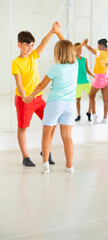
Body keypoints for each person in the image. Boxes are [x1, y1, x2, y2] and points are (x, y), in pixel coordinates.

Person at [11, 22, 63, 167]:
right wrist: (24, 97)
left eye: (32, 45)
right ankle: (25, 157)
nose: (30, 48)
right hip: (24, 100)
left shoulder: (33, 56)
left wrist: (52, 32)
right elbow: (19, 84)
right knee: (22, 128)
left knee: (52, 122)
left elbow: (44, 43)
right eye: (27, 45)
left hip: (38, 98)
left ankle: (45, 151)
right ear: (19, 45)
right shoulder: (16, 63)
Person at [24, 39, 78, 174]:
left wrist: (30, 96)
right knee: (67, 137)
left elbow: (42, 85)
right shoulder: (75, 65)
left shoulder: (55, 68)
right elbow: (67, 44)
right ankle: (69, 166)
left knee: (47, 135)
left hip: (55, 103)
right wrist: (58, 32)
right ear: (71, 51)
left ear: (58, 53)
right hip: (70, 105)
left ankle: (45, 165)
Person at [82, 38, 108, 123]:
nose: (97, 47)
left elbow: (91, 50)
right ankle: (105, 118)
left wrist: (84, 44)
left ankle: (94, 116)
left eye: (98, 45)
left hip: (100, 77)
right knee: (106, 99)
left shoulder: (100, 52)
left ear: (101, 45)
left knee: (91, 95)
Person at [74, 42, 95, 122]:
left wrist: (93, 75)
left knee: (91, 96)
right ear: (74, 50)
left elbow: (88, 70)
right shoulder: (73, 59)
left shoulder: (85, 60)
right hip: (77, 83)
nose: (80, 51)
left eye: (81, 49)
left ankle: (89, 112)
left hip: (85, 82)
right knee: (78, 99)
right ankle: (79, 115)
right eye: (78, 49)